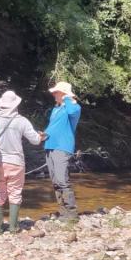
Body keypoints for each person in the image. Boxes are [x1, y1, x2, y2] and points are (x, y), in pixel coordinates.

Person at [0, 90, 44, 234]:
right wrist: (41, 136)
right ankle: (14, 227)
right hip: (16, 163)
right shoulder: (22, 121)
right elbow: (35, 140)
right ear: (15, 105)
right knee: (15, 192)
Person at [44, 81, 81, 222]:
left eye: (56, 92)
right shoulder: (56, 109)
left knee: (62, 180)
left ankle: (72, 214)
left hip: (63, 147)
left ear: (64, 93)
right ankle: (63, 212)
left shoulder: (74, 108)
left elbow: (73, 111)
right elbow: (52, 126)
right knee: (55, 181)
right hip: (50, 146)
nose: (53, 94)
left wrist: (66, 97)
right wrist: (44, 134)